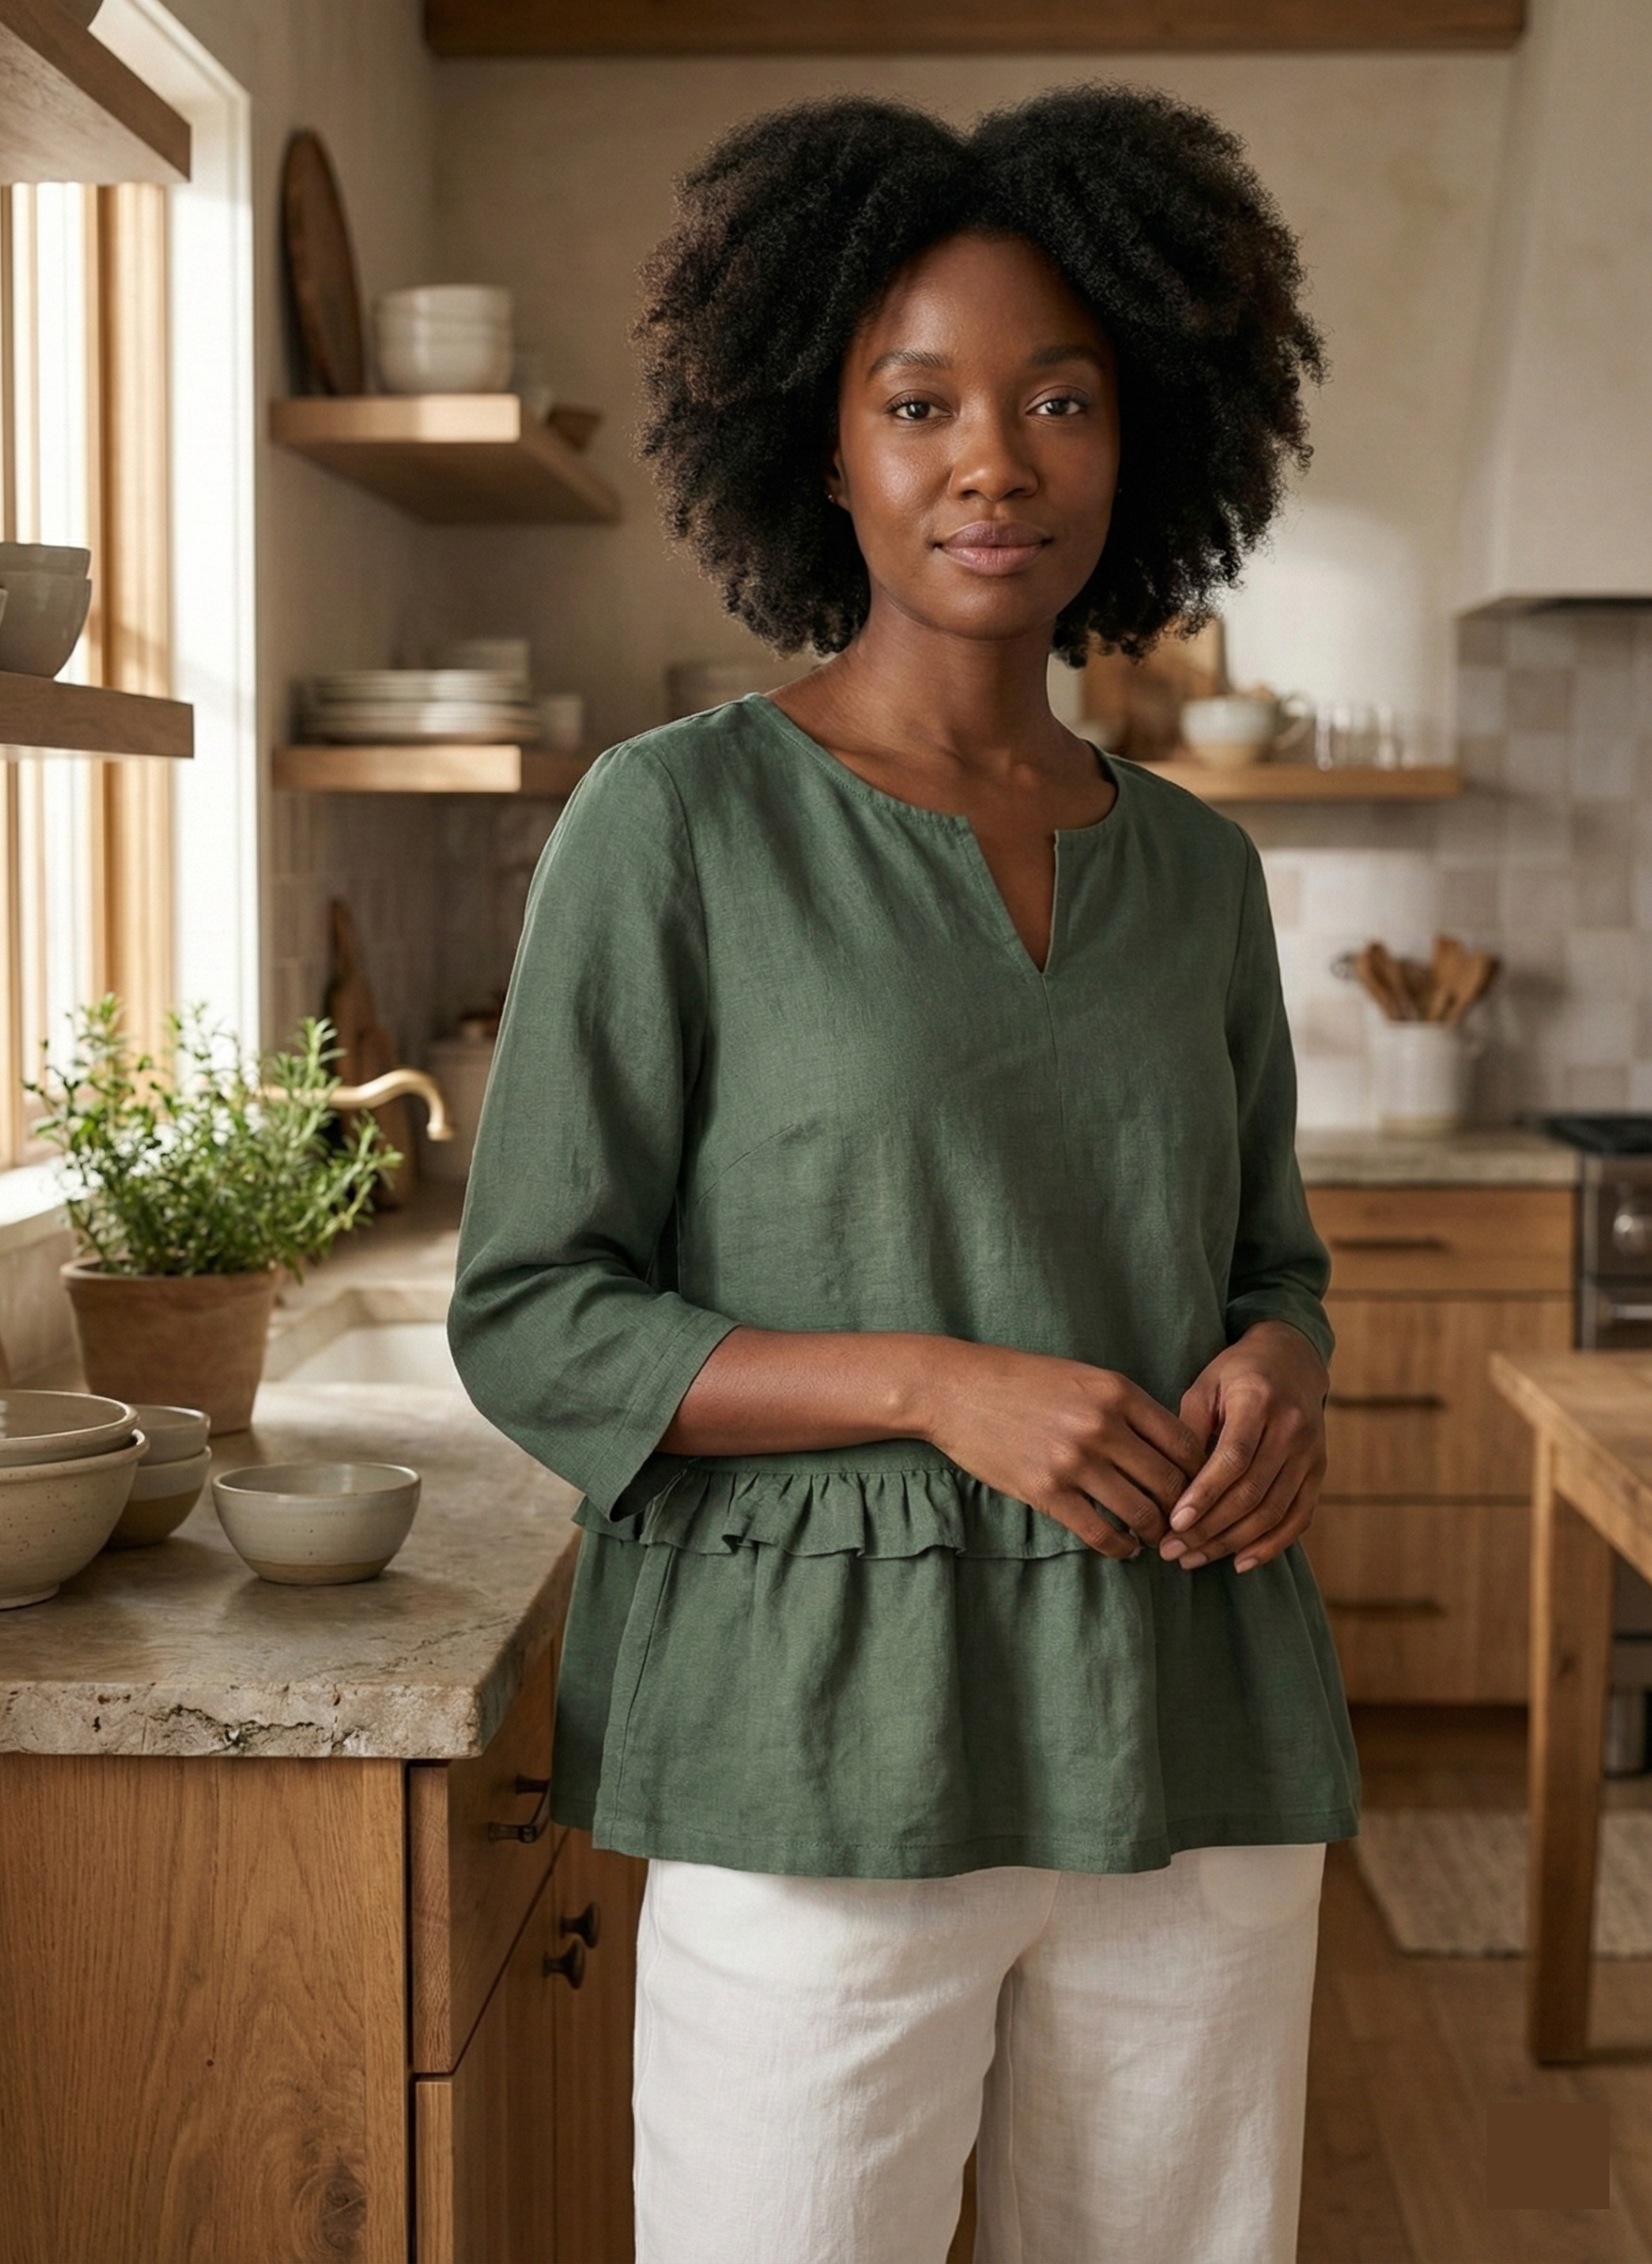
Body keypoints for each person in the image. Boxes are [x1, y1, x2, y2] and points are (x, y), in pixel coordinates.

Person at [449, 83, 1360, 2264]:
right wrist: (935, 1384)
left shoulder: (1197, 873)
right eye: (919, 400)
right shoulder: (673, 823)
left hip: (1193, 1725)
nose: (993, 463)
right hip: (820, 1737)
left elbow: (1268, 1261)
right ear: (818, 442)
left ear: (1144, 438)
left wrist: (1279, 1370)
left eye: (1059, 398)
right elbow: (535, 1313)